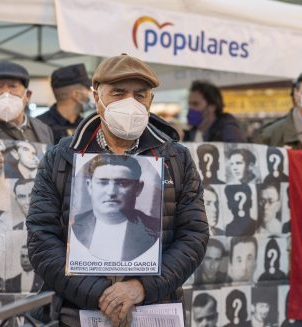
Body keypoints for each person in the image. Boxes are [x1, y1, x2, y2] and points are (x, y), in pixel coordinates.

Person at [26, 54, 208, 327]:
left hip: (153, 309)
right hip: (75, 312)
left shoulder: (175, 159)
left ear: (150, 102)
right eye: (118, 93)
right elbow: (41, 238)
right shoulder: (61, 158)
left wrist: (141, 287)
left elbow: (194, 235)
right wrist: (98, 293)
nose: (130, 103)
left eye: (140, 95)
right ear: (96, 97)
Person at [0, 60, 53, 325]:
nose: (5, 93)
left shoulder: (44, 131)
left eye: (13, 87)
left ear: (27, 95)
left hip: (30, 255)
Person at [70, 155, 159, 261]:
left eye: (122, 183)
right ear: (90, 186)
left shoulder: (155, 230)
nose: (111, 192)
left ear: (138, 188)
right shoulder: (73, 226)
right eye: (103, 183)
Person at [38, 64, 94, 144]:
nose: (92, 93)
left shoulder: (86, 125)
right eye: (88, 89)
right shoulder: (40, 127)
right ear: (76, 95)